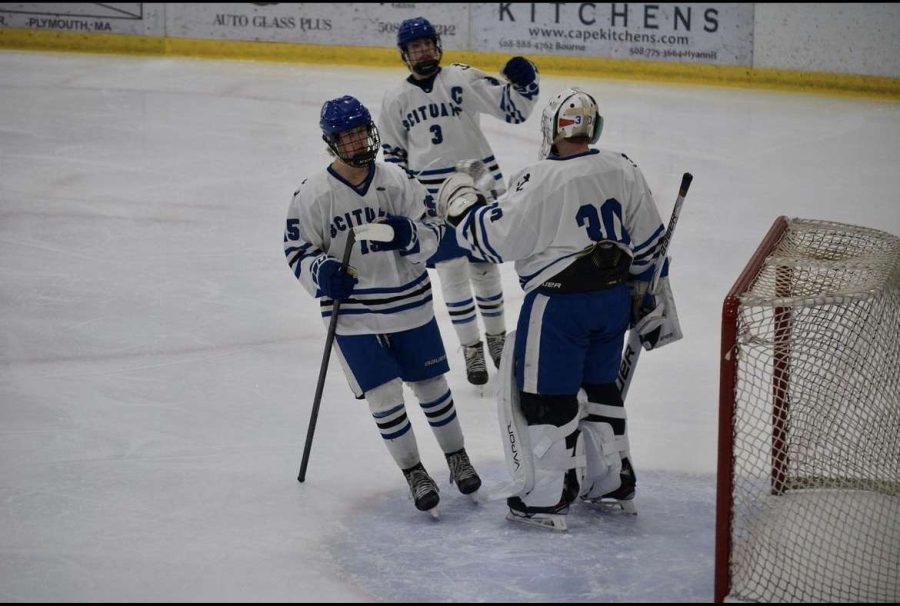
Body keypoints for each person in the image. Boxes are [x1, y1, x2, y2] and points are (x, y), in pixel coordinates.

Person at [434, 88, 682, 530]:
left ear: (551, 130)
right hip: (613, 302)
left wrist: (462, 205)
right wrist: (651, 301)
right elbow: (650, 248)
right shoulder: (622, 166)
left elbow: (493, 241)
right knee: (602, 389)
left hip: (559, 305)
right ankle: (612, 483)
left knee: (545, 401)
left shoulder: (540, 178)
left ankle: (546, 497)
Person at [283, 95, 482, 516]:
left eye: (360, 132)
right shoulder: (313, 194)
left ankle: (456, 457)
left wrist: (407, 234)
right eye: (346, 136)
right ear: (331, 142)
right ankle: (414, 472)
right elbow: (297, 249)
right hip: (353, 316)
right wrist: (322, 272)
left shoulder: (398, 180)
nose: (357, 142)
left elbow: (432, 235)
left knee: (432, 388)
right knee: (385, 396)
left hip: (409, 303)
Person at [379, 16, 540, 386]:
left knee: (484, 268)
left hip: (477, 186)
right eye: (415, 47)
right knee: (451, 271)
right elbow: (394, 159)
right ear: (404, 54)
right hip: (432, 198)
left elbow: (513, 109)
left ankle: (497, 339)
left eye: (427, 44)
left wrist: (527, 80)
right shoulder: (394, 100)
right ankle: (471, 348)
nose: (423, 51)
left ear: (438, 45)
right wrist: (405, 202)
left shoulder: (462, 77)